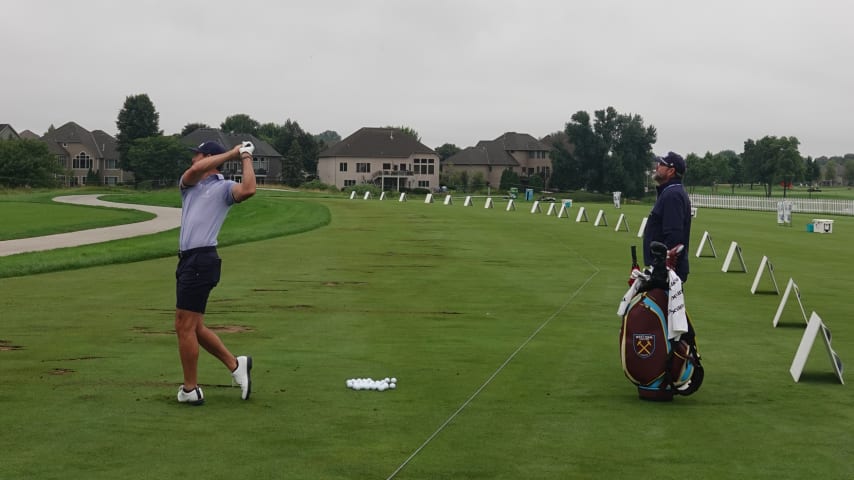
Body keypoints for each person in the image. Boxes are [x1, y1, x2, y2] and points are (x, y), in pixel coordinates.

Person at [174, 140, 256, 405]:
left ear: (207, 156)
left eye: (196, 154)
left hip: (202, 259)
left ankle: (190, 389)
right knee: (194, 326)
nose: (192, 159)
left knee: (183, 325)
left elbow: (249, 189)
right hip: (188, 261)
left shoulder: (223, 188)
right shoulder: (189, 184)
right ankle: (236, 365)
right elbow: (192, 173)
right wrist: (232, 153)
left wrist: (244, 158)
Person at [643, 151, 692, 282]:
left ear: (671, 171)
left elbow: (674, 235)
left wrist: (661, 265)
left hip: (667, 270)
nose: (657, 166)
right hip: (663, 268)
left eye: (662, 164)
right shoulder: (670, 192)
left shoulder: (672, 195)